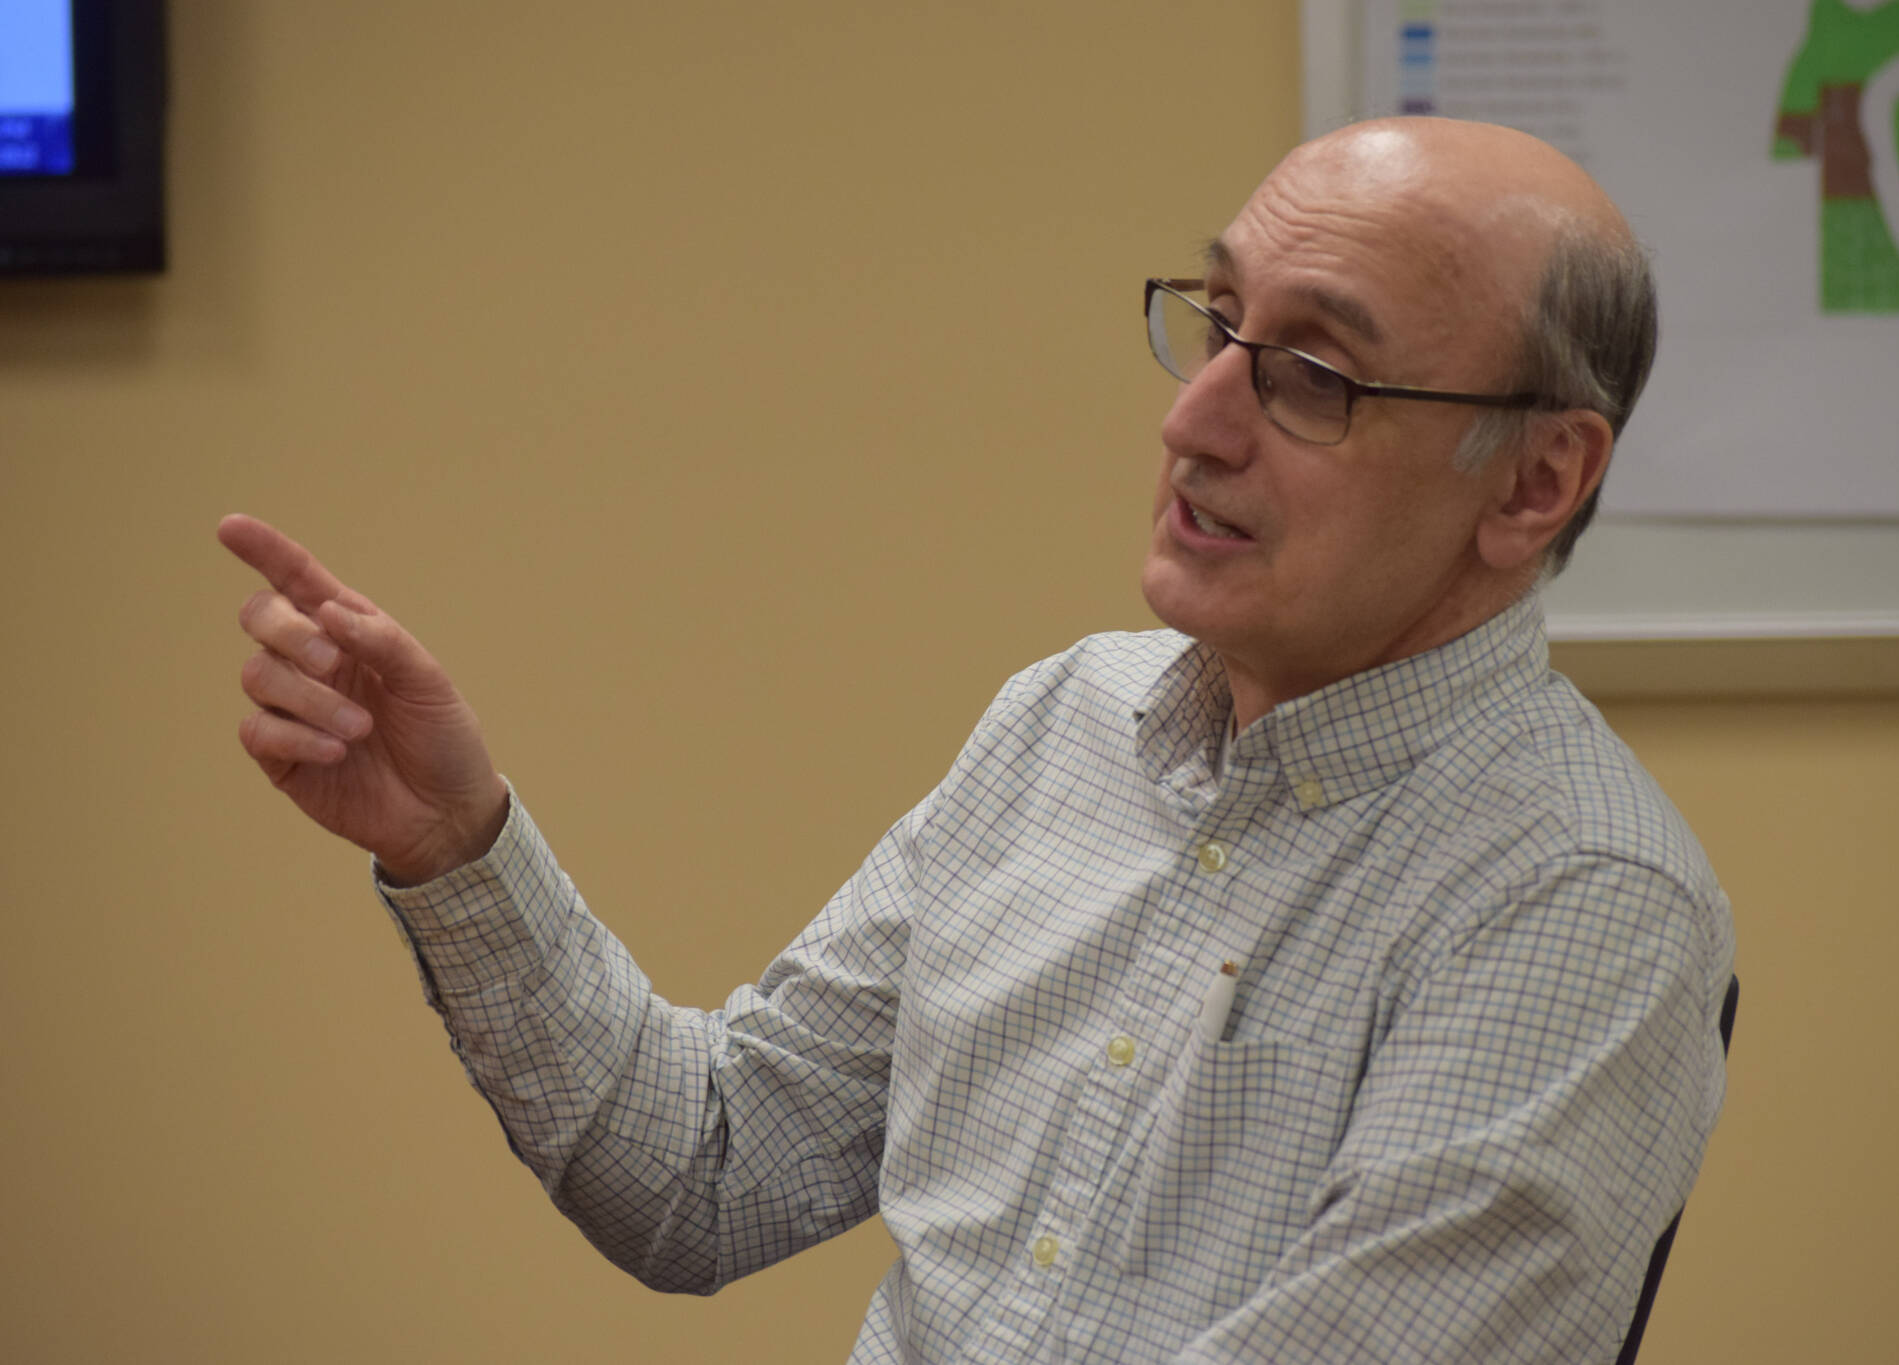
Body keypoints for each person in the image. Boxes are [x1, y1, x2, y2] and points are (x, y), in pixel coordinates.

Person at [221, 118, 1733, 1363]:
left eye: (1313, 377)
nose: (1195, 420)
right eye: (1219, 324)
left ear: (1536, 481)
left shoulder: (1581, 899)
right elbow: (708, 1171)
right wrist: (457, 842)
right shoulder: (1064, 722)